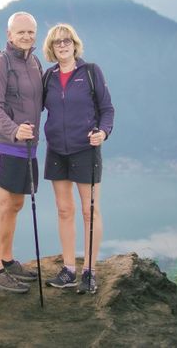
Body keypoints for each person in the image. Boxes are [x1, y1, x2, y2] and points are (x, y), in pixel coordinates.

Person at [42, 23, 114, 295]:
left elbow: (107, 109)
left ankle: (90, 272)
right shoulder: (47, 78)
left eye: (67, 40)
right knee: (64, 210)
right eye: (57, 41)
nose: (63, 44)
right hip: (57, 150)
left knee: (88, 211)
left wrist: (103, 133)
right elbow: (27, 103)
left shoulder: (91, 73)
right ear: (51, 48)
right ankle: (69, 269)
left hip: (86, 149)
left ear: (74, 44)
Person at [0, 11, 44, 293]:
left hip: (27, 146)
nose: (26, 37)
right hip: (2, 144)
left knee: (16, 204)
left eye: (30, 32)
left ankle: (7, 260)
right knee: (0, 203)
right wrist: (14, 130)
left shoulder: (35, 62)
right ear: (9, 35)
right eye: (21, 32)